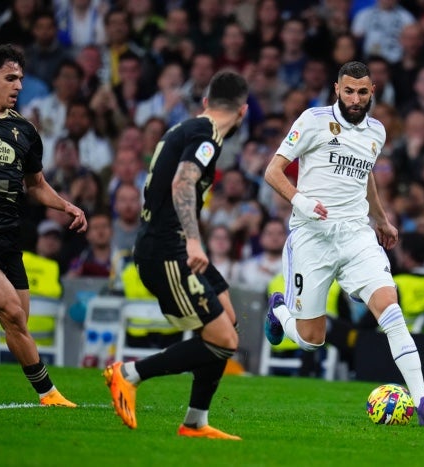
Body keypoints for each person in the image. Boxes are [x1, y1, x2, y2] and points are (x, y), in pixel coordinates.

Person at [263, 61, 424, 426]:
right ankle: (280, 312)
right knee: (311, 339)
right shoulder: (312, 120)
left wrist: (380, 219)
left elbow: (365, 174)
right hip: (311, 237)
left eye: (362, 92)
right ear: (336, 89)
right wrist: (301, 201)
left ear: (372, 91)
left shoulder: (376, 132)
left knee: (391, 310)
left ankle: (423, 405)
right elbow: (273, 170)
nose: (355, 98)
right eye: (348, 91)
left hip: (356, 235)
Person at [103, 70, 249, 440]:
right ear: (243, 111)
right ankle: (129, 374)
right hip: (168, 250)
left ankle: (195, 422)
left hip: (172, 245)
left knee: (227, 323)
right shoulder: (206, 135)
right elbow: (183, 181)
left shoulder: (186, 128)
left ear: (205, 101)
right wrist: (196, 241)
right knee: (223, 341)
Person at [0, 44, 87, 407]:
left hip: (9, 241)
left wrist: (66, 205)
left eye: (21, 79)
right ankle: (50, 394)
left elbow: (36, 185)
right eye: (10, 78)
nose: (19, 86)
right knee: (10, 311)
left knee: (17, 322)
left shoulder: (24, 131)